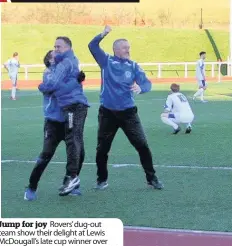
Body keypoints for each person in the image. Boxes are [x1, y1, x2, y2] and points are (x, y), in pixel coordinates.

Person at [88, 25, 163, 190]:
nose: (128, 50)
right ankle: (102, 180)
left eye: (129, 47)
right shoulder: (106, 61)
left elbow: (147, 83)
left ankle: (152, 178)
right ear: (116, 49)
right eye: (125, 47)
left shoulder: (133, 66)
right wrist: (104, 33)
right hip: (107, 113)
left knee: (142, 145)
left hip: (128, 113)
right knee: (102, 149)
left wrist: (141, 88)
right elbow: (92, 46)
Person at [24, 50, 86, 201]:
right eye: (55, 56)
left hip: (70, 120)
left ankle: (69, 183)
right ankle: (31, 187)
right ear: (50, 61)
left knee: (79, 153)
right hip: (53, 123)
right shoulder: (48, 74)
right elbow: (55, 86)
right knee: (46, 155)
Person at [38, 36, 90, 196]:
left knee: (72, 140)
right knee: (76, 141)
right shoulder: (69, 61)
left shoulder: (66, 62)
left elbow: (52, 85)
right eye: (54, 47)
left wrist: (42, 86)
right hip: (72, 106)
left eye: (58, 46)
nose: (55, 49)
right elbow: (63, 84)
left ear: (67, 47)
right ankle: (73, 180)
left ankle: (72, 177)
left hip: (73, 106)